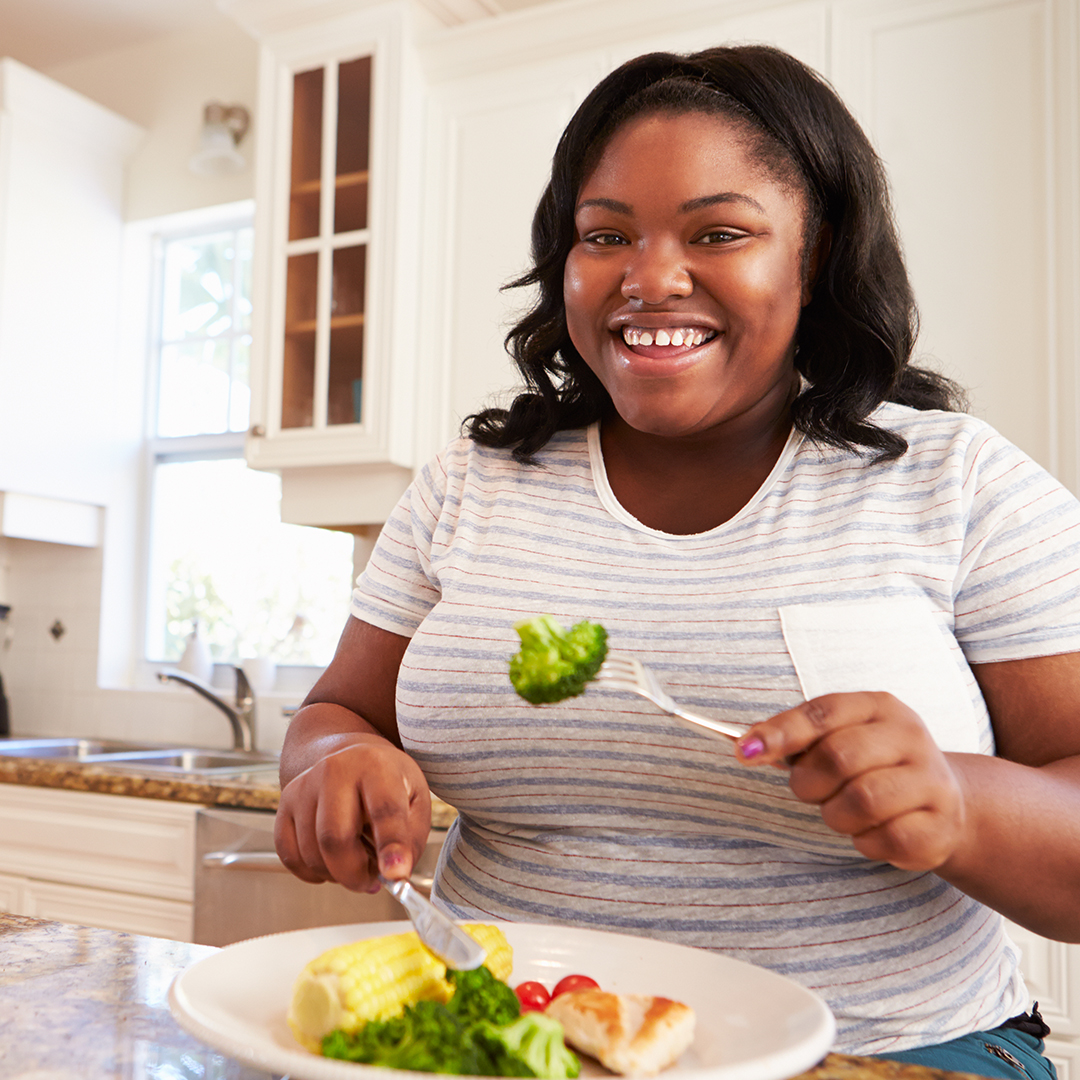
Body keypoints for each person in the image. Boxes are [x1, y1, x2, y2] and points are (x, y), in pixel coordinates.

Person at [274, 44, 1080, 1077]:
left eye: (720, 232)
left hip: (892, 1051)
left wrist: (961, 805)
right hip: (511, 1036)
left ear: (816, 254)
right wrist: (332, 764)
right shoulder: (470, 483)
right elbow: (335, 715)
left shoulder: (958, 482)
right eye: (605, 235)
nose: (649, 278)